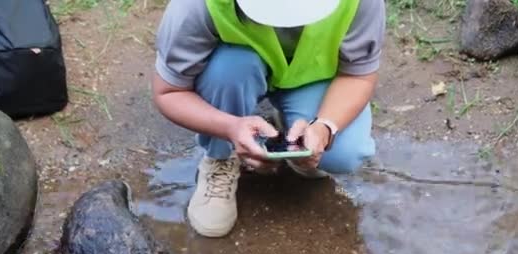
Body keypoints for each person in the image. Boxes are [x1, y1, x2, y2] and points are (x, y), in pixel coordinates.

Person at [152, 0, 385, 238]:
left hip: (309, 79)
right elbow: (169, 92)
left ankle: (296, 133)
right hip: (236, 73)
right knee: (229, 69)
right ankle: (220, 158)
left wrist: (325, 127)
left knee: (344, 152)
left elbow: (358, 76)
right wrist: (230, 128)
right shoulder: (196, 5)